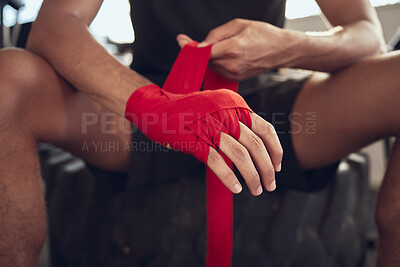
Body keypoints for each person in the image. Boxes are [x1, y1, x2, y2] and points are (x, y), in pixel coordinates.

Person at [0, 0, 399, 266]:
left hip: (264, 109)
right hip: (141, 103)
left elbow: (367, 34)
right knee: (9, 79)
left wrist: (289, 47)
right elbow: (54, 25)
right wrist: (158, 108)